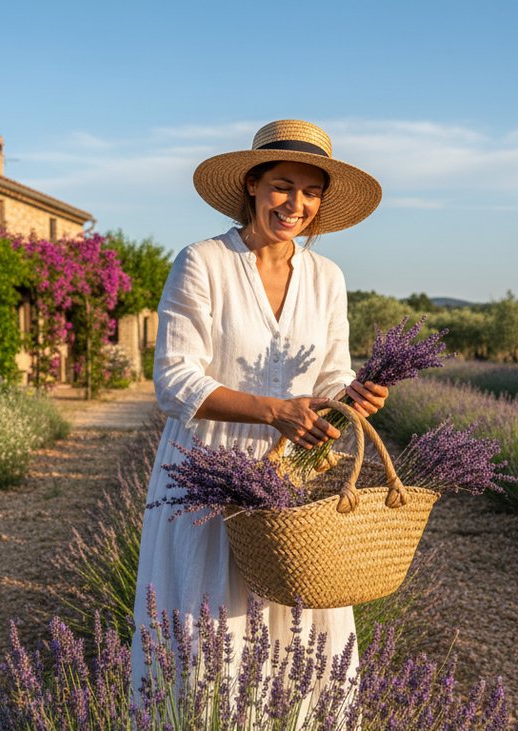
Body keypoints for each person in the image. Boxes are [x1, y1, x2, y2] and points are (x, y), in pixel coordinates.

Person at [132, 119, 389, 694]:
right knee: (208, 641)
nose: (295, 203)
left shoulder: (327, 277)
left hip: (292, 481)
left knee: (300, 640)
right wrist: (275, 411)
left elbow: (332, 376)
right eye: (282, 185)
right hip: (209, 476)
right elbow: (175, 383)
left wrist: (354, 398)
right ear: (252, 184)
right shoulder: (203, 262)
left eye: (310, 191)